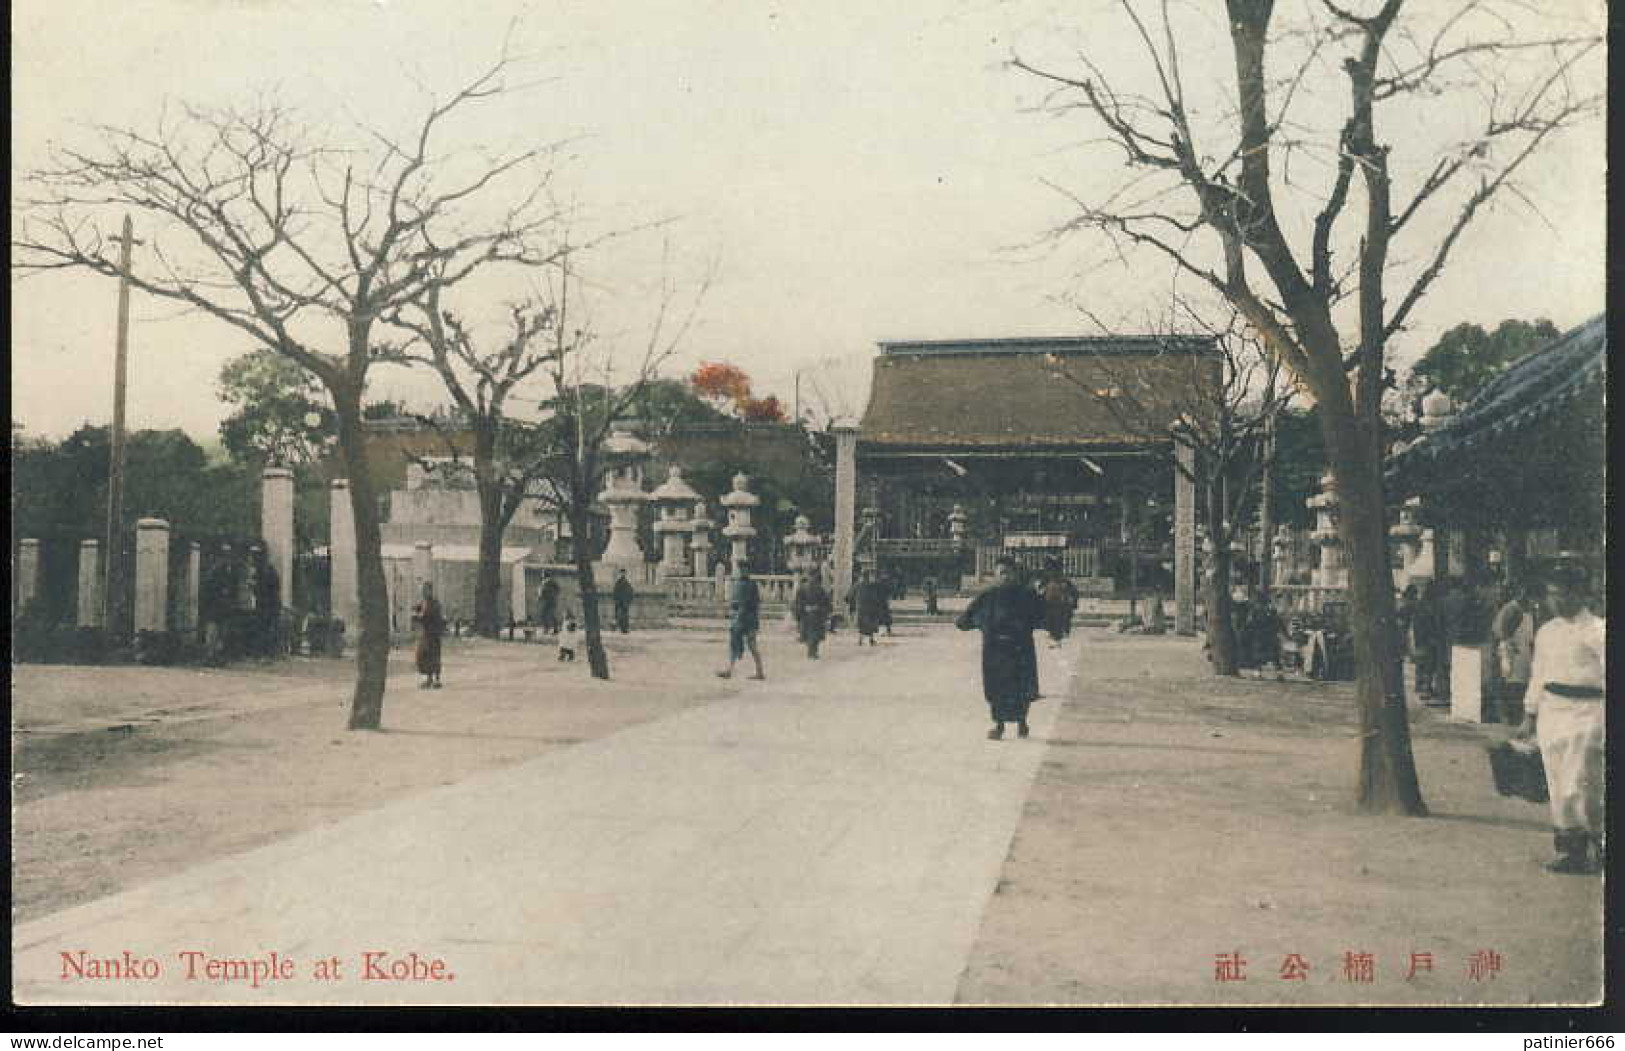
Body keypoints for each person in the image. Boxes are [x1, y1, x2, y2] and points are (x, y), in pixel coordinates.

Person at [1515, 566, 1605, 875]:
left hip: (1588, 714)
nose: (1556, 599)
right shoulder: (1546, 631)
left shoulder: (1598, 630)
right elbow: (1538, 675)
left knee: (1582, 784)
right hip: (1552, 714)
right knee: (1557, 785)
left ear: (1580, 594)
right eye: (1552, 593)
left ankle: (1600, 842)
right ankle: (1572, 852)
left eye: (1563, 593)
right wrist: (1529, 715)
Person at [956, 555, 1045, 740]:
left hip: (1020, 648)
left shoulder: (1027, 595)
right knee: (997, 689)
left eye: (1008, 573)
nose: (1005, 577)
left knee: (1021, 687)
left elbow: (1041, 617)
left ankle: (1022, 723)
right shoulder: (988, 596)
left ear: (1015, 574)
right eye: (1001, 573)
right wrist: (981, 624)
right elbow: (964, 620)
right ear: (995, 575)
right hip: (995, 650)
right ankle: (999, 725)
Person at [1492, 582, 1538, 725]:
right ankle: (1509, 716)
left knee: (1522, 684)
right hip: (1512, 651)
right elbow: (1500, 632)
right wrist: (1511, 646)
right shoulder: (1512, 609)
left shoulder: (1529, 610)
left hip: (1524, 651)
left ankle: (1517, 715)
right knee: (1512, 684)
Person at [717, 564, 765, 680]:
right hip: (739, 619)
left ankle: (759, 671)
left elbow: (755, 603)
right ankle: (729, 669)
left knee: (752, 645)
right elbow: (733, 602)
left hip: (749, 619)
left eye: (744, 570)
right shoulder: (736, 584)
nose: (742, 572)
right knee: (734, 644)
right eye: (740, 570)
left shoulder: (752, 585)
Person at [792, 568, 834, 659]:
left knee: (815, 635)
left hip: (817, 615)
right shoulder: (803, 589)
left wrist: (820, 609)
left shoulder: (820, 590)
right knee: (810, 634)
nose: (812, 579)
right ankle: (811, 651)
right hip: (807, 614)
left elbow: (826, 603)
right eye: (811, 576)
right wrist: (802, 609)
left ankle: (813, 651)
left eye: (813, 576)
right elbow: (797, 602)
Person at [411, 582, 446, 688]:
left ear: (430, 590)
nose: (423, 592)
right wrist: (416, 609)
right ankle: (430, 679)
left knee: (433, 656)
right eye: (422, 590)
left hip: (432, 634)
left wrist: (416, 616)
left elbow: (426, 616)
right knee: (426, 656)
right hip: (427, 634)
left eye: (425, 590)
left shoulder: (433, 603)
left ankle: (435, 680)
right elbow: (421, 608)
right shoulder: (426, 602)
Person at [1040, 570, 1079, 647]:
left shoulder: (1064, 583)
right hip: (1052, 605)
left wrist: (1071, 602)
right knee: (1054, 621)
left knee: (1061, 620)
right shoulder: (1049, 583)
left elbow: (1072, 593)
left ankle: (1059, 636)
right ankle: (1056, 636)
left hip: (1060, 605)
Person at [851, 568, 888, 646]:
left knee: (862, 625)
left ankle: (861, 639)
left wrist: (852, 603)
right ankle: (871, 639)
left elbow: (850, 595)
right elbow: (880, 597)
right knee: (871, 624)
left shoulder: (858, 585)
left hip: (861, 608)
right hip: (872, 608)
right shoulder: (874, 585)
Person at [612, 569, 636, 634]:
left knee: (625, 616)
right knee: (619, 615)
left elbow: (630, 592)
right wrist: (616, 600)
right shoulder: (618, 583)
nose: (622, 574)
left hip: (624, 602)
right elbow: (615, 592)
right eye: (621, 573)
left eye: (624, 573)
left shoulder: (627, 583)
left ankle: (624, 628)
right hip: (619, 602)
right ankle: (619, 627)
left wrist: (628, 601)